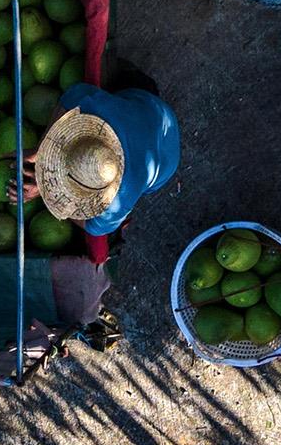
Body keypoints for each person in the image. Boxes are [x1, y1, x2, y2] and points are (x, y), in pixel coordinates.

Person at [30, 72, 178, 336]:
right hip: (153, 111)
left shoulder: (116, 203)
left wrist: (46, 191)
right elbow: (71, 96)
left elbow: (91, 226)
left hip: (164, 156)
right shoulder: (93, 107)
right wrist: (43, 152)